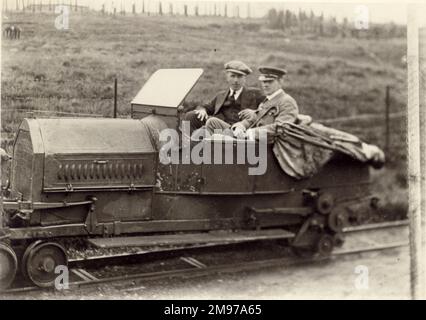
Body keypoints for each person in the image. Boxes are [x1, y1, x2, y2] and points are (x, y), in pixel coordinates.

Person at [184, 60, 264, 135]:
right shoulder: (221, 96)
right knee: (191, 115)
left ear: (244, 79)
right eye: (232, 76)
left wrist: (254, 111)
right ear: (227, 78)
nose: (236, 80)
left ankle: (200, 143)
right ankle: (187, 144)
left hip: (241, 130)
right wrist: (202, 110)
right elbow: (207, 107)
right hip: (221, 127)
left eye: (239, 77)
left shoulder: (255, 94)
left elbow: (267, 107)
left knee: (211, 122)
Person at [230, 66, 299, 141]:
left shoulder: (286, 101)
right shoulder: (267, 100)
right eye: (263, 81)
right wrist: (241, 126)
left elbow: (282, 128)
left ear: (280, 81)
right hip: (257, 142)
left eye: (270, 82)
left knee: (222, 144)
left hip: (269, 146)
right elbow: (255, 118)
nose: (265, 85)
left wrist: (252, 132)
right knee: (219, 138)